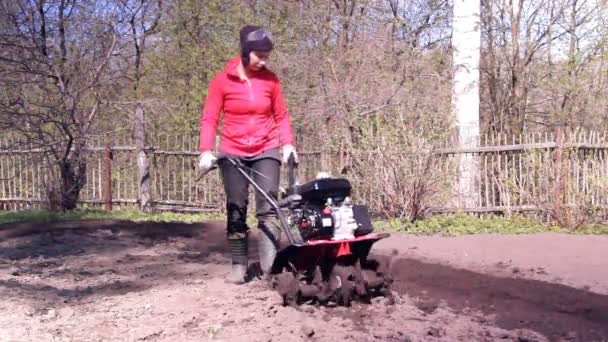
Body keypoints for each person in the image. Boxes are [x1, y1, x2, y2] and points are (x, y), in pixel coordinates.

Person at [198, 25, 298, 284]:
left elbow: (282, 115)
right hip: (233, 152)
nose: (263, 60)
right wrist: (206, 151)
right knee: (236, 209)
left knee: (268, 207)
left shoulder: (271, 80)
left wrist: (287, 144)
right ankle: (238, 265)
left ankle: (270, 266)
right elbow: (210, 118)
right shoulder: (221, 82)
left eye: (267, 55)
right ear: (244, 52)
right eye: (259, 55)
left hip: (266, 147)